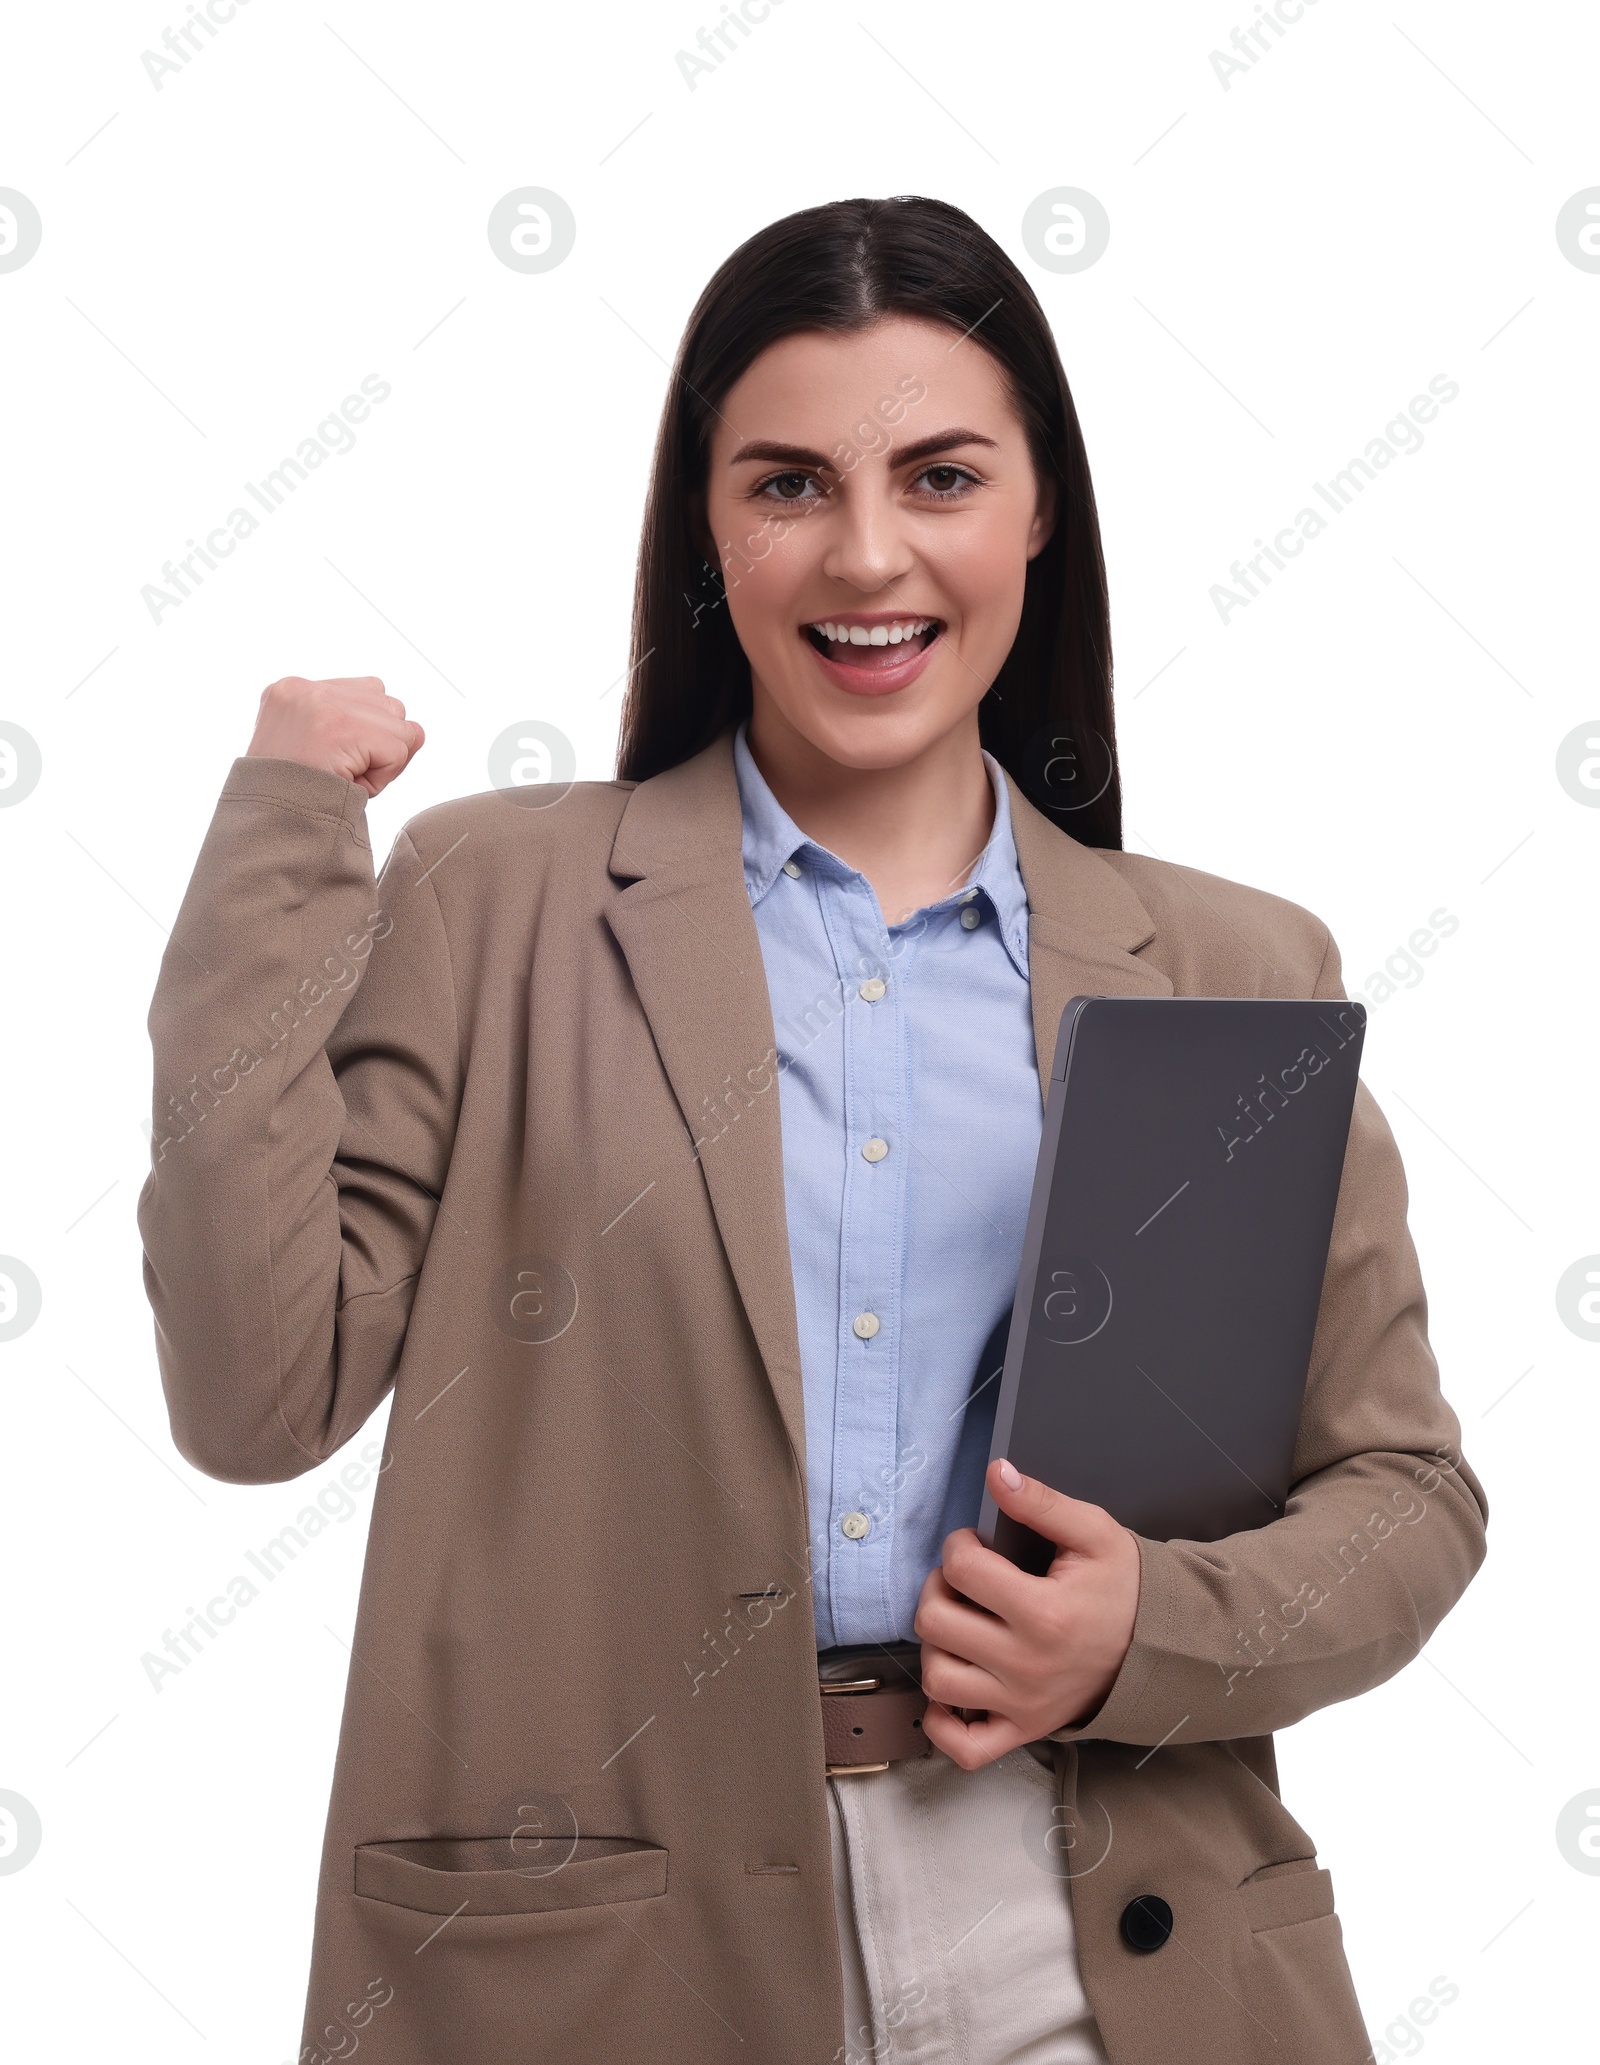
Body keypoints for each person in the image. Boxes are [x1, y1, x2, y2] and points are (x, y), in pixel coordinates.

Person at [137, 196, 1487, 2065]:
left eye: (941, 475)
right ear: (710, 525)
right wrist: (284, 843)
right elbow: (252, 1391)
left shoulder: (1230, 966)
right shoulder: (497, 900)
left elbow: (1405, 1499)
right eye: (786, 485)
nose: (868, 553)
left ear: (1038, 516)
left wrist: (1145, 1626)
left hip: (1098, 1932)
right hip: (606, 1945)